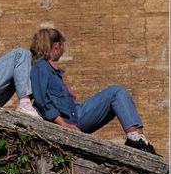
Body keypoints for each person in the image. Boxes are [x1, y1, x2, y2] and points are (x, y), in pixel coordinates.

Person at [30, 27, 158, 155]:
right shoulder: (40, 67)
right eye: (63, 45)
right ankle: (135, 138)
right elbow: (43, 101)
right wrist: (63, 124)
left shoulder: (52, 71)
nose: (63, 50)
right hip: (72, 120)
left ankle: (138, 139)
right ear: (57, 45)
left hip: (76, 113)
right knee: (116, 92)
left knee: (117, 93)